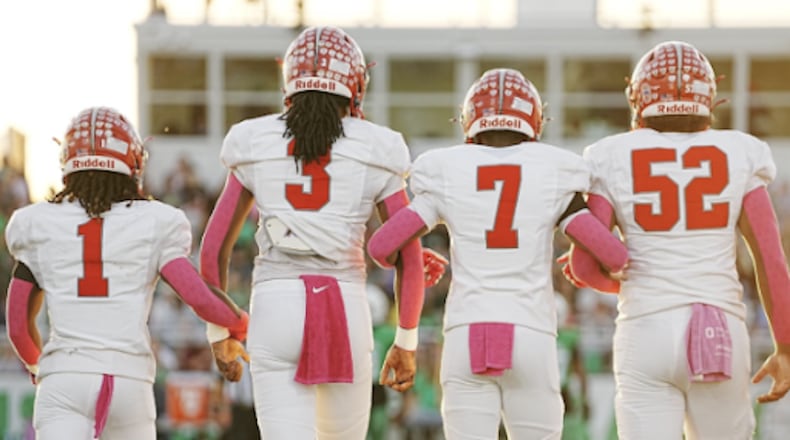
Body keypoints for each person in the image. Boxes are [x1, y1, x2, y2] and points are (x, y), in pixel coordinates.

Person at [199, 26, 444, 440]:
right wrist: (405, 339)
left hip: (275, 303)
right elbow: (409, 254)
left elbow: (213, 250)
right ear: (355, 86)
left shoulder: (254, 139)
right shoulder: (377, 146)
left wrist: (218, 330)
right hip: (344, 303)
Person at [367, 68, 629, 439]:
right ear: (534, 119)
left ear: (470, 120)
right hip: (531, 332)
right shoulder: (554, 169)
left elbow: (380, 245)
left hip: (465, 333)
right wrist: (583, 263)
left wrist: (412, 255)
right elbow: (614, 255)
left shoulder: (447, 168)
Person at [562, 40, 790, 440]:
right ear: (709, 97)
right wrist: (786, 346)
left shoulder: (610, 154)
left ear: (639, 96)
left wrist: (629, 283)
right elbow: (771, 260)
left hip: (644, 327)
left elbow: (583, 265)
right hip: (717, 326)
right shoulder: (739, 151)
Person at [4, 107, 250, 440]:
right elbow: (201, 298)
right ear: (133, 164)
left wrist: (40, 366)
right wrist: (238, 325)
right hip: (129, 379)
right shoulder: (155, 221)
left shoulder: (37, 223)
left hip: (66, 377)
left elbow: (18, 324)